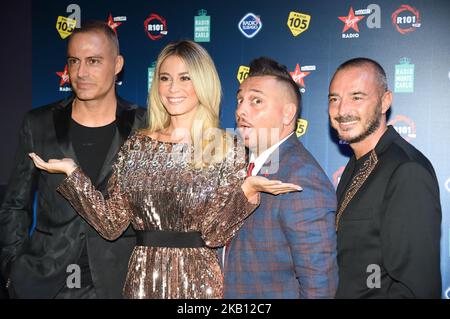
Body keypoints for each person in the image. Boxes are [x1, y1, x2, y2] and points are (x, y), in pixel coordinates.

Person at [28, 41, 300, 299]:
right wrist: (73, 174)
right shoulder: (137, 145)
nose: (172, 88)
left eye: (185, 78)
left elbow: (215, 234)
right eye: (164, 77)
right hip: (142, 281)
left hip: (198, 283)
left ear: (203, 82)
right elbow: (111, 225)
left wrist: (247, 190)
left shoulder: (226, 147)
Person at [0, 21, 147, 298]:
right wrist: (12, 268)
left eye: (93, 61)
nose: (81, 72)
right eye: (74, 61)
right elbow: (14, 205)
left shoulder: (145, 125)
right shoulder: (39, 123)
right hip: (46, 282)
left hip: (119, 282)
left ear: (117, 64)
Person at [224, 57, 338, 298]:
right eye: (240, 100)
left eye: (256, 101)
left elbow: (319, 285)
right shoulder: (241, 165)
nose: (240, 110)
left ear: (288, 114)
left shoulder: (301, 178)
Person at [328, 57, 442, 298]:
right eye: (334, 99)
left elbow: (416, 289)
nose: (342, 110)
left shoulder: (407, 170)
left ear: (384, 101)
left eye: (356, 97)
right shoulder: (356, 165)